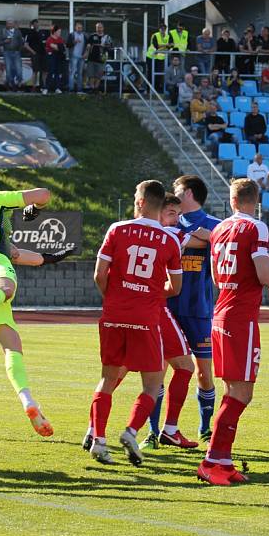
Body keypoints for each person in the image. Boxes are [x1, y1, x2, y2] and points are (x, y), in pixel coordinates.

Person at [87, 180, 182, 465]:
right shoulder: (169, 240)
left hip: (114, 314)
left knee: (108, 378)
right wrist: (149, 294)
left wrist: (115, 296)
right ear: (160, 205)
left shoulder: (117, 229)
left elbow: (99, 274)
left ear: (140, 202)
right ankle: (130, 431)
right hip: (146, 318)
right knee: (152, 384)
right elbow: (175, 287)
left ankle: (98, 440)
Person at [197, 178, 269, 485]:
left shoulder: (219, 229)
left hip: (220, 313)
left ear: (232, 200)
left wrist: (261, 271)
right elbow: (261, 272)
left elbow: (218, 278)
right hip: (241, 319)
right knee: (242, 393)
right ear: (255, 200)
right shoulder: (256, 227)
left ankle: (223, 460)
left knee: (233, 391)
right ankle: (211, 461)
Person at [0, 174, 57, 436]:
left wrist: (45, 259)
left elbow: (17, 254)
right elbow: (43, 193)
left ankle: (29, 402)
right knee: (5, 288)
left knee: (11, 344)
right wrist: (34, 207)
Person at [137, 193, 211, 451]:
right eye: (171, 214)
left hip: (130, 308)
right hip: (155, 309)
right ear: (157, 212)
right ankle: (160, 430)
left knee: (120, 374)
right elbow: (208, 240)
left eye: (179, 215)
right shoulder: (172, 236)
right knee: (177, 367)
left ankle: (101, 433)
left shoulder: (128, 230)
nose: (177, 220)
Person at [168, 175, 221, 442]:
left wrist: (208, 238)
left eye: (176, 188)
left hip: (198, 308)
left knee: (203, 370)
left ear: (188, 192)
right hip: (168, 308)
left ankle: (204, 426)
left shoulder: (215, 225)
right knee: (160, 370)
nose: (172, 192)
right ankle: (158, 431)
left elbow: (221, 243)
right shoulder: (168, 220)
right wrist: (198, 239)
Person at [85, 22, 112, 92]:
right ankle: (92, 88)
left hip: (101, 59)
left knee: (98, 76)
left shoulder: (107, 37)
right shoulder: (92, 36)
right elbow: (88, 45)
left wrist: (105, 46)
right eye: (97, 27)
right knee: (91, 75)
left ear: (103, 28)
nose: (99, 29)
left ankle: (96, 89)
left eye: (100, 27)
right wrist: (88, 47)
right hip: (91, 59)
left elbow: (110, 47)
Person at [0, 19, 23, 90]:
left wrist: (19, 50)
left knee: (18, 68)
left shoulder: (18, 32)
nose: (9, 25)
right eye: (8, 23)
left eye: (11, 23)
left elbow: (21, 42)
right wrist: (5, 41)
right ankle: (10, 83)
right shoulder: (2, 31)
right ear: (6, 24)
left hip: (16, 52)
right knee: (8, 69)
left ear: (13, 24)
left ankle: (19, 81)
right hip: (7, 52)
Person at [146, 23, 173, 90]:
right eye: (161, 29)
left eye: (164, 29)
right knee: (151, 73)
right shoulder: (155, 35)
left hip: (160, 58)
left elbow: (171, 45)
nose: (163, 30)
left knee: (159, 74)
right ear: (159, 29)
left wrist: (165, 46)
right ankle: (149, 89)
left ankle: (157, 88)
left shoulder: (167, 36)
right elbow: (156, 46)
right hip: (151, 57)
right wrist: (166, 45)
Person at [23, 19, 46, 91]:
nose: (37, 25)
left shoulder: (42, 32)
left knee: (44, 70)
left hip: (43, 54)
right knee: (35, 71)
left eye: (38, 23)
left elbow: (45, 42)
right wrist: (33, 52)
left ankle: (44, 86)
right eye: (35, 23)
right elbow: (26, 45)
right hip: (35, 54)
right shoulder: (29, 33)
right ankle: (34, 87)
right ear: (32, 25)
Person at [42, 25, 65, 94]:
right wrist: (60, 47)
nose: (60, 33)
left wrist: (60, 47)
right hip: (51, 57)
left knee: (58, 72)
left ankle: (57, 88)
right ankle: (46, 88)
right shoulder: (49, 39)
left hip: (58, 57)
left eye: (60, 32)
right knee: (51, 71)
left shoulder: (60, 39)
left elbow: (63, 48)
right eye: (58, 31)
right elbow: (57, 48)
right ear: (54, 32)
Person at [66, 22, 86, 93]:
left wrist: (85, 54)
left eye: (81, 28)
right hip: (73, 56)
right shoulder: (71, 35)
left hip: (81, 57)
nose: (80, 29)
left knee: (80, 73)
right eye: (78, 27)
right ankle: (71, 89)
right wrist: (74, 42)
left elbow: (87, 46)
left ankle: (79, 89)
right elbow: (67, 45)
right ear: (75, 28)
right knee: (72, 72)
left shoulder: (84, 35)